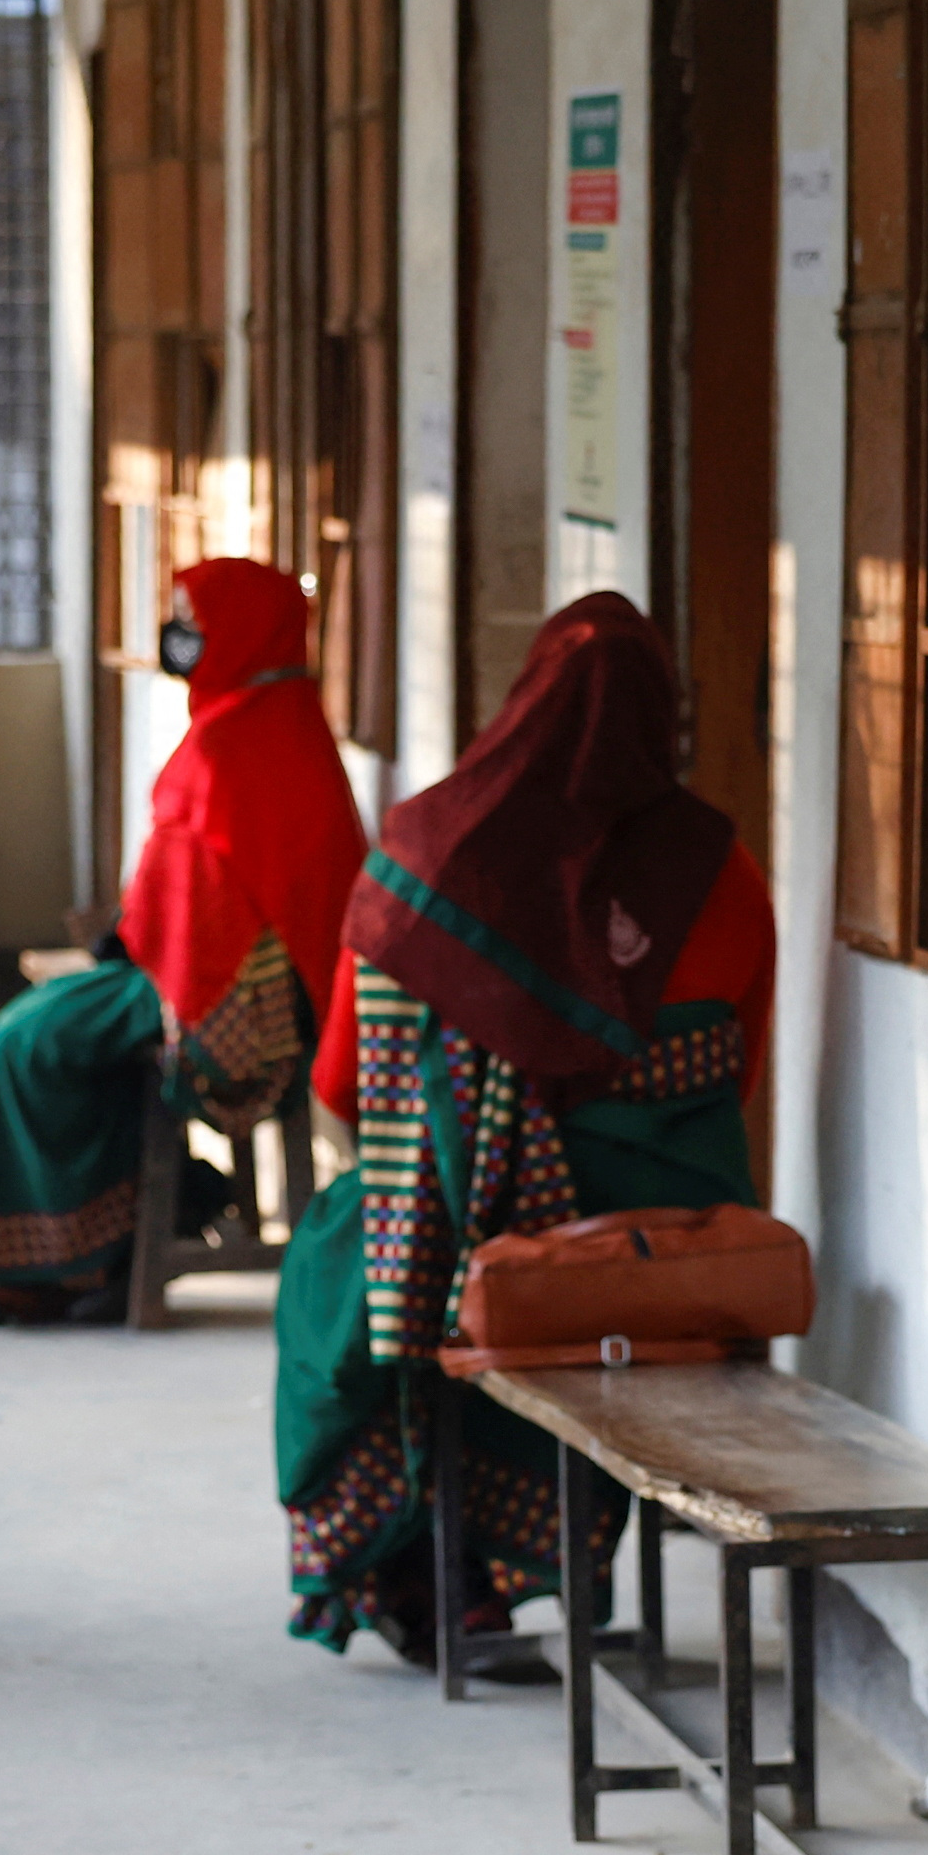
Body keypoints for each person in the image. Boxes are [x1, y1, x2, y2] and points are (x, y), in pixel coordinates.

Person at [272, 594, 778, 1666]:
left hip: (465, 1248)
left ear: (519, 702)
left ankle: (427, 1572)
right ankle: (540, 1557)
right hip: (650, 1249)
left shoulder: (422, 861)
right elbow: (740, 1083)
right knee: (558, 1262)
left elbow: (343, 1085)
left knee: (341, 1260)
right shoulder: (720, 874)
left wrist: (475, 1132)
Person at [0, 558, 372, 1327]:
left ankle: (65, 1262)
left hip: (225, 999)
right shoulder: (266, 721)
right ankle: (117, 1237)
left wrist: (132, 945)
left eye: (194, 617)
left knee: (29, 1038)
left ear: (242, 632)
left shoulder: (243, 746)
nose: (180, 633)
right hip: (198, 977)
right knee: (49, 1031)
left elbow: (202, 912)